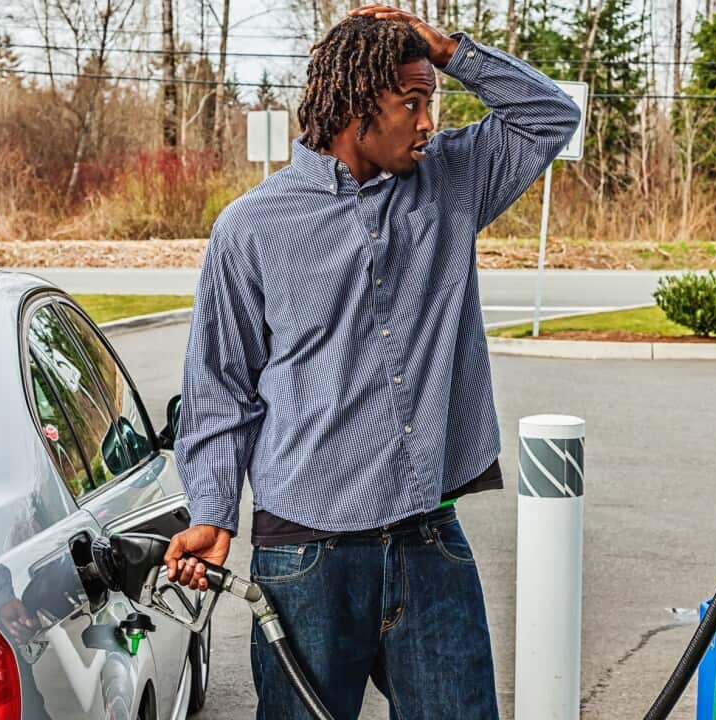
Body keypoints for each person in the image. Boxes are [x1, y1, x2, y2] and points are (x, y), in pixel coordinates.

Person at [166, 5, 579, 717]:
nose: (428, 124)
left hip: (428, 538)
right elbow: (221, 390)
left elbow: (549, 117)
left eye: (432, 103)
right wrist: (212, 511)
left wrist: (447, 50)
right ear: (356, 108)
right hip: (306, 559)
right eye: (411, 104)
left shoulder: (452, 183)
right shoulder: (250, 230)